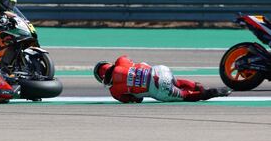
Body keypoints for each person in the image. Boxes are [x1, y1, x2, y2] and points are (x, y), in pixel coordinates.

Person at [93, 55, 232, 103]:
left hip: (158, 89)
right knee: (177, 82)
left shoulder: (115, 92)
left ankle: (207, 93)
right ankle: (197, 86)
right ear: (109, 64)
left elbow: (135, 100)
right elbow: (128, 59)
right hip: (160, 70)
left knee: (184, 96)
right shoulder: (121, 60)